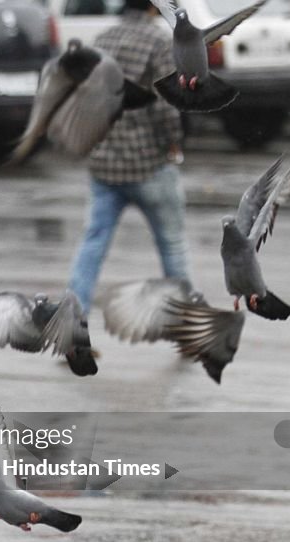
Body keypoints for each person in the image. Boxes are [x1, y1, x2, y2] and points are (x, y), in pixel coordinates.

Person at [67, 0, 192, 312]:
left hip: (104, 166)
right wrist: (174, 142)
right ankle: (189, 326)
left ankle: (73, 319)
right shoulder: (159, 42)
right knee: (172, 247)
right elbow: (167, 104)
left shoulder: (102, 41)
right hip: (149, 164)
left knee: (92, 245)